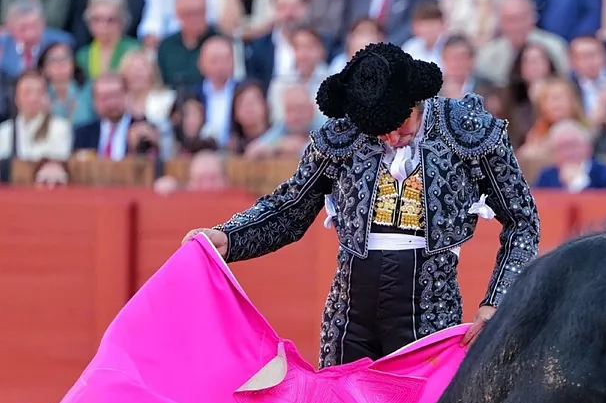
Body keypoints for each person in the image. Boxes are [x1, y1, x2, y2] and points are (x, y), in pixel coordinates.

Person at [181, 42, 540, 368]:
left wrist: (497, 299)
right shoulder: (344, 134)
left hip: (430, 307)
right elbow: (291, 209)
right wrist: (228, 238)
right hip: (351, 313)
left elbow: (523, 219)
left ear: (416, 100)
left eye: (400, 125)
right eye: (378, 132)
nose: (391, 139)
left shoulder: (466, 128)